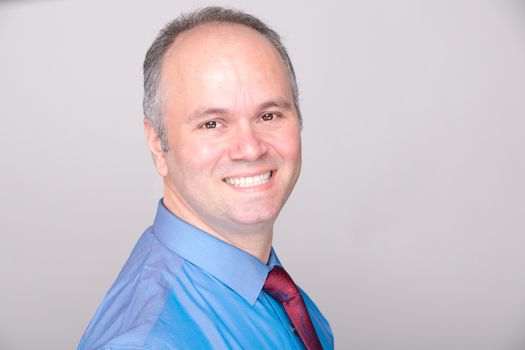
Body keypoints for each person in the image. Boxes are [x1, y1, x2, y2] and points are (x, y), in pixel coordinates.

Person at [78, 6, 333, 350]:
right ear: (158, 143)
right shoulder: (146, 342)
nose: (250, 149)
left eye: (269, 115)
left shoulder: (272, 288)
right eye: (211, 123)